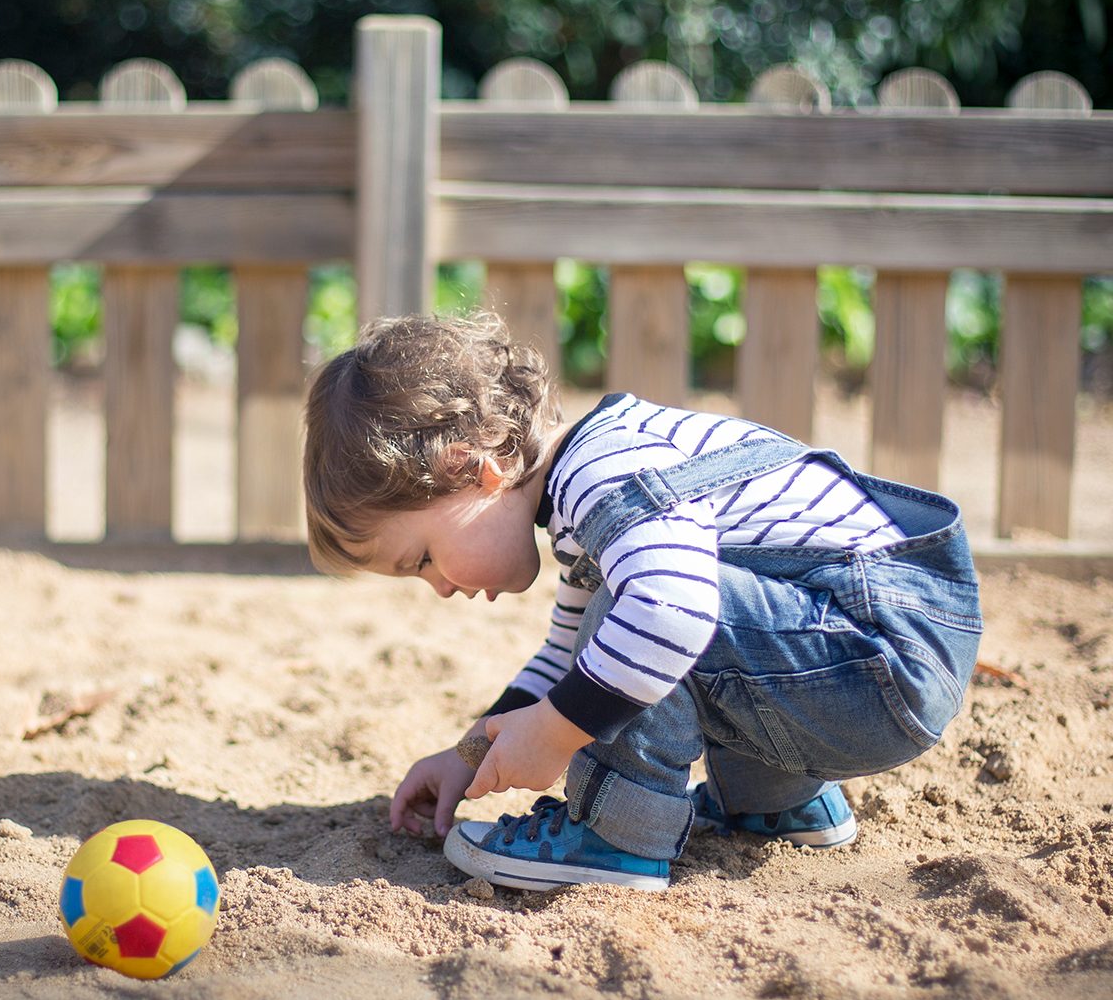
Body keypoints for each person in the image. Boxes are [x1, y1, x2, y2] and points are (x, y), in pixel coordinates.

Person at [302, 312, 983, 892]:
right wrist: (470, 752)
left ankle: (614, 838)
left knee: (641, 621)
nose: (441, 588)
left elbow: (666, 610)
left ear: (476, 470)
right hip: (866, 651)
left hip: (876, 652)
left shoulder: (606, 479)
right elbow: (566, 656)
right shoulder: (591, 493)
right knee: (624, 636)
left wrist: (556, 732)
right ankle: (776, 804)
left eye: (422, 559)